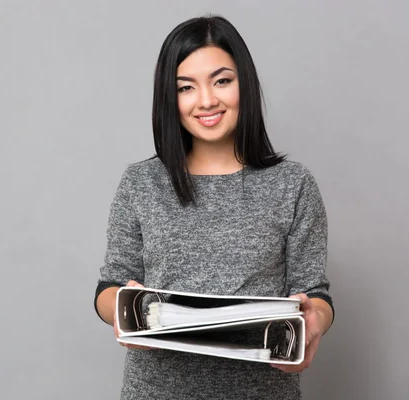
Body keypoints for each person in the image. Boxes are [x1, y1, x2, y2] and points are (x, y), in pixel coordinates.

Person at [93, 15, 334, 400]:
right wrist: (124, 313)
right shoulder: (141, 184)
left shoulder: (292, 184)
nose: (206, 100)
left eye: (222, 80)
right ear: (170, 99)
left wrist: (314, 319)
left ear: (245, 84)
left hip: (263, 391)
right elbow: (110, 287)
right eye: (186, 87)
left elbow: (313, 292)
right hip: (156, 391)